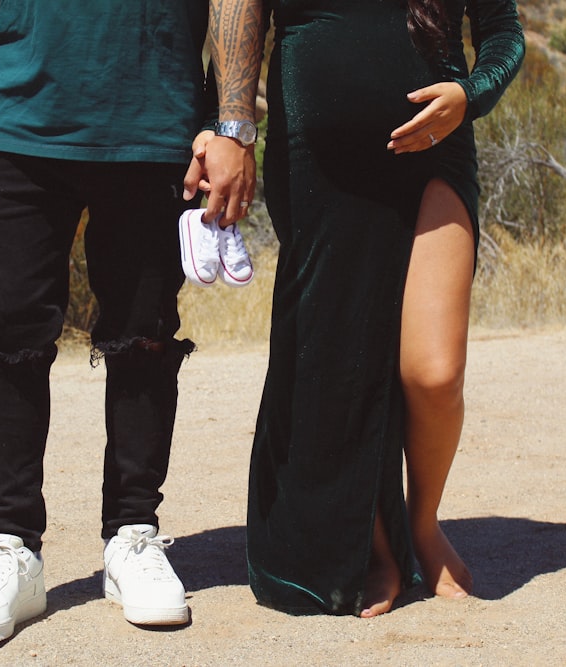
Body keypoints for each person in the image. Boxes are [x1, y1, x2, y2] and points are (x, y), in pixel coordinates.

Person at [0, 0, 256, 645]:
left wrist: (232, 127)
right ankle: (11, 547)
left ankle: (133, 536)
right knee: (8, 336)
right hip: (21, 121)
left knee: (144, 335)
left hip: (159, 120)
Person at [213, 0, 525, 617]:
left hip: (438, 145)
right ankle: (377, 548)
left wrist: (471, 95)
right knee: (343, 358)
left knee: (433, 372)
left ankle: (424, 523)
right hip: (320, 158)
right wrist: (228, 125)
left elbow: (503, 32)